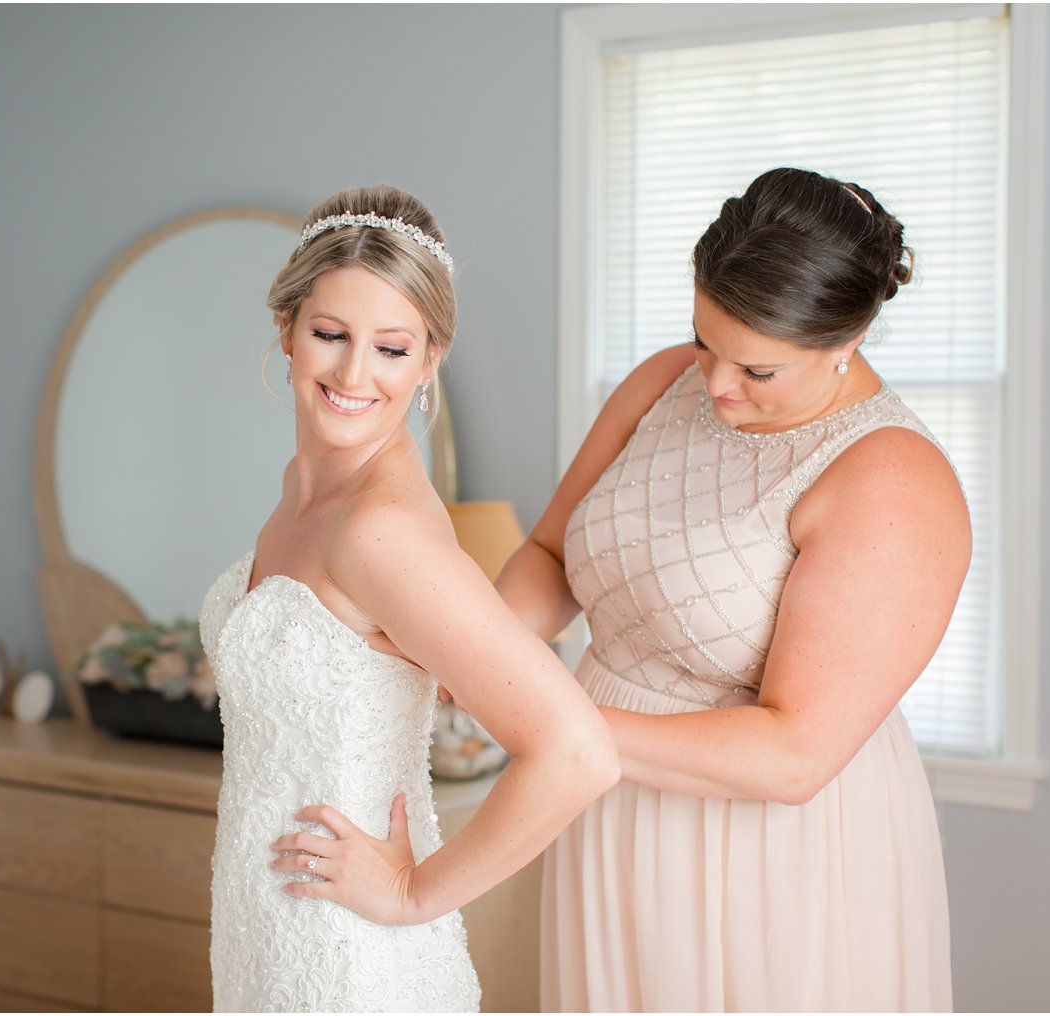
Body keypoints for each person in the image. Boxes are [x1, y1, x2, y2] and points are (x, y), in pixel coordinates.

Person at [495, 167, 969, 1012]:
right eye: (705, 340)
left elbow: (794, 757)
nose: (713, 384)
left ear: (845, 341)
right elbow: (550, 552)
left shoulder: (892, 482)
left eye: (757, 369)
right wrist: (482, 648)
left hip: (761, 846)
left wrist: (544, 715)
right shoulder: (666, 380)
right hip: (603, 794)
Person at [199, 185, 619, 1013]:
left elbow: (578, 753)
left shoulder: (381, 532)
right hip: (264, 930)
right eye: (330, 335)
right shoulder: (303, 488)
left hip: (350, 960)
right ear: (286, 332)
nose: (355, 375)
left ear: (429, 361)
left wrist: (414, 894)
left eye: (392, 349)